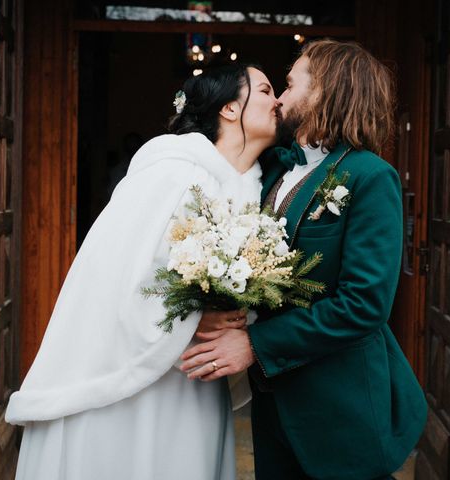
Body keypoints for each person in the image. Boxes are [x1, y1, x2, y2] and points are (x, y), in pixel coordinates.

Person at [6, 64, 280, 480]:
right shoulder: (172, 171)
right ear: (229, 108)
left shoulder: (250, 190)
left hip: (195, 378)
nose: (277, 100)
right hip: (134, 384)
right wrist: (191, 322)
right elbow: (118, 279)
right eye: (265, 90)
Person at [181, 40, 428, 480]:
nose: (278, 98)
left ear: (325, 92)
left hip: (340, 406)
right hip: (275, 401)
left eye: (290, 85)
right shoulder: (275, 168)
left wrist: (255, 344)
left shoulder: (370, 177)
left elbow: (364, 305)